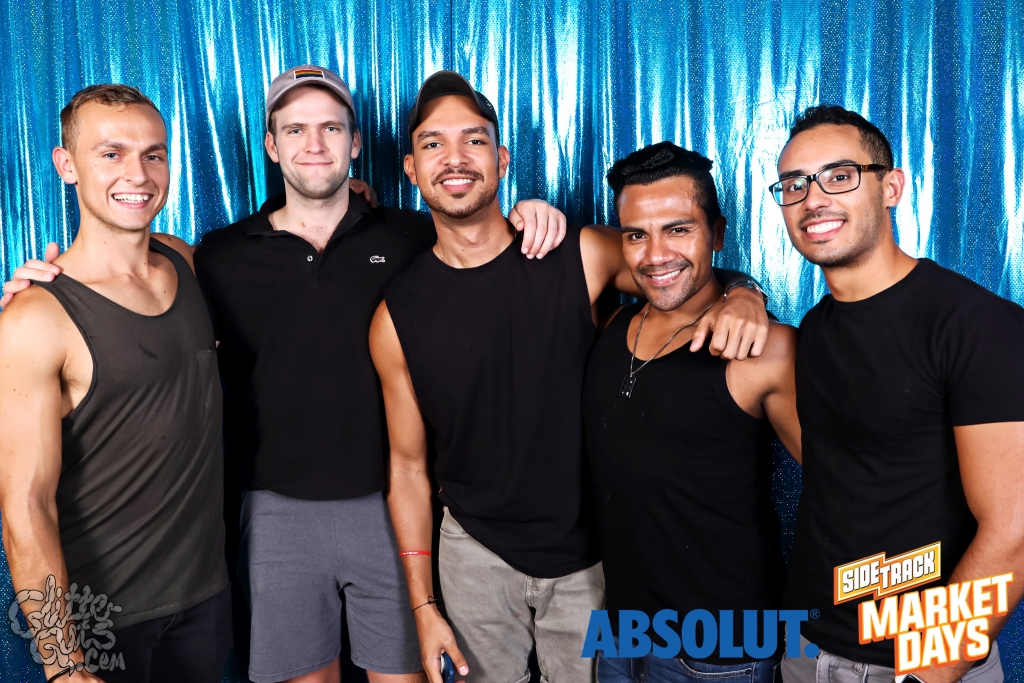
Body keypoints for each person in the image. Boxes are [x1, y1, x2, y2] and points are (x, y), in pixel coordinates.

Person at [1, 66, 568, 683]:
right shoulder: (216, 256)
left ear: (356, 143)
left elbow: (476, 238)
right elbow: (24, 500)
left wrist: (531, 214)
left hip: (387, 507)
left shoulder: (407, 237)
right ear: (270, 146)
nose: (314, 144)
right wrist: (61, 663)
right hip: (268, 517)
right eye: (295, 129)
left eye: (332, 128)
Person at [369, 71, 771, 683]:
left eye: (474, 140)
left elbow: (679, 275)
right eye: (432, 143)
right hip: (474, 557)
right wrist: (424, 606)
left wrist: (746, 292)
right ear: (410, 168)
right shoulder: (395, 317)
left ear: (502, 159)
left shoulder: (576, 253)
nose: (455, 158)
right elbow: (406, 469)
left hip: (593, 558)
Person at [773, 105, 1024, 683]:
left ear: (891, 187)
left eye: (839, 176)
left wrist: (926, 674)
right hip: (808, 650)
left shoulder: (976, 325)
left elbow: (1012, 532)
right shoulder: (816, 329)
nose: (813, 199)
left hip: (918, 664)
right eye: (794, 184)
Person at [0, 84, 230, 683]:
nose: (139, 174)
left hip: (205, 598)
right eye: (111, 153)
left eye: (154, 154)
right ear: (66, 165)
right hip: (102, 621)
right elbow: (25, 505)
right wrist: (62, 663)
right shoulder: (34, 317)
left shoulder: (182, 260)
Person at [584, 141, 801, 683]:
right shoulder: (610, 324)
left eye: (678, 229)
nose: (655, 254)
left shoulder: (768, 350)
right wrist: (742, 286)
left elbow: (848, 486)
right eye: (636, 235)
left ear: (717, 234)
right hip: (621, 634)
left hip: (720, 654)